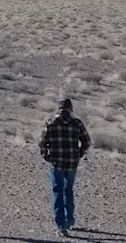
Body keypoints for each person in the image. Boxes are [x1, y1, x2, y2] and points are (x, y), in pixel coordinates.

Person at [38, 97, 90, 236]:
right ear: (70, 108)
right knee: (69, 190)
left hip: (56, 163)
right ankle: (70, 219)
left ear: (58, 108)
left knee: (57, 192)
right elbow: (87, 141)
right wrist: (79, 153)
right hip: (72, 163)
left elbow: (42, 142)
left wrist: (46, 155)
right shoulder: (76, 123)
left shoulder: (50, 122)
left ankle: (61, 226)